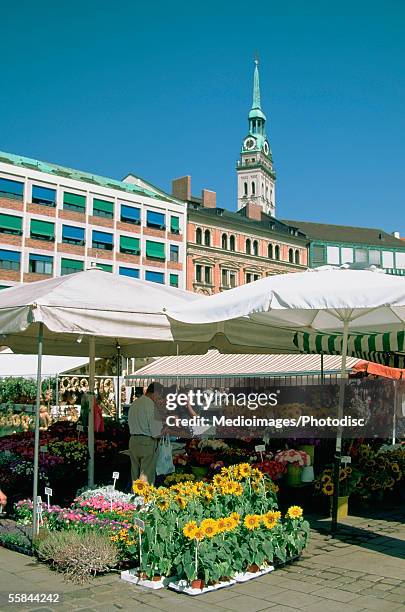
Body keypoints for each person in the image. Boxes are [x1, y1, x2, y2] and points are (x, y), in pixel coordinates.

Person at [128, 382, 163, 485]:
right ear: (155, 393)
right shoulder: (151, 406)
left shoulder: (135, 403)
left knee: (134, 475)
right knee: (146, 477)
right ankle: (143, 500)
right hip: (147, 442)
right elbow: (155, 431)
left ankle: (133, 498)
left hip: (133, 440)